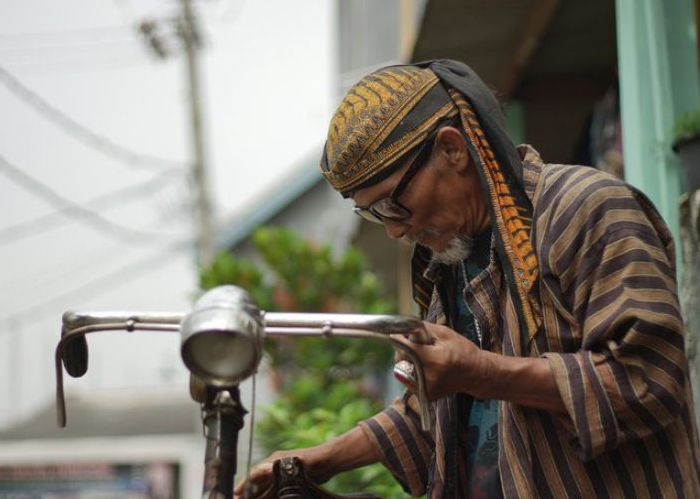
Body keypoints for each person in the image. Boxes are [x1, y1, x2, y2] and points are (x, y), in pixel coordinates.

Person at [235, 60, 700, 498]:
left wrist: (480, 372)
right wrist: (317, 460)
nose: (395, 228)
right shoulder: (450, 262)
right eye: (373, 215)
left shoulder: (587, 209)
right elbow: (436, 414)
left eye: (392, 203)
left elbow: (649, 380)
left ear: (452, 149)